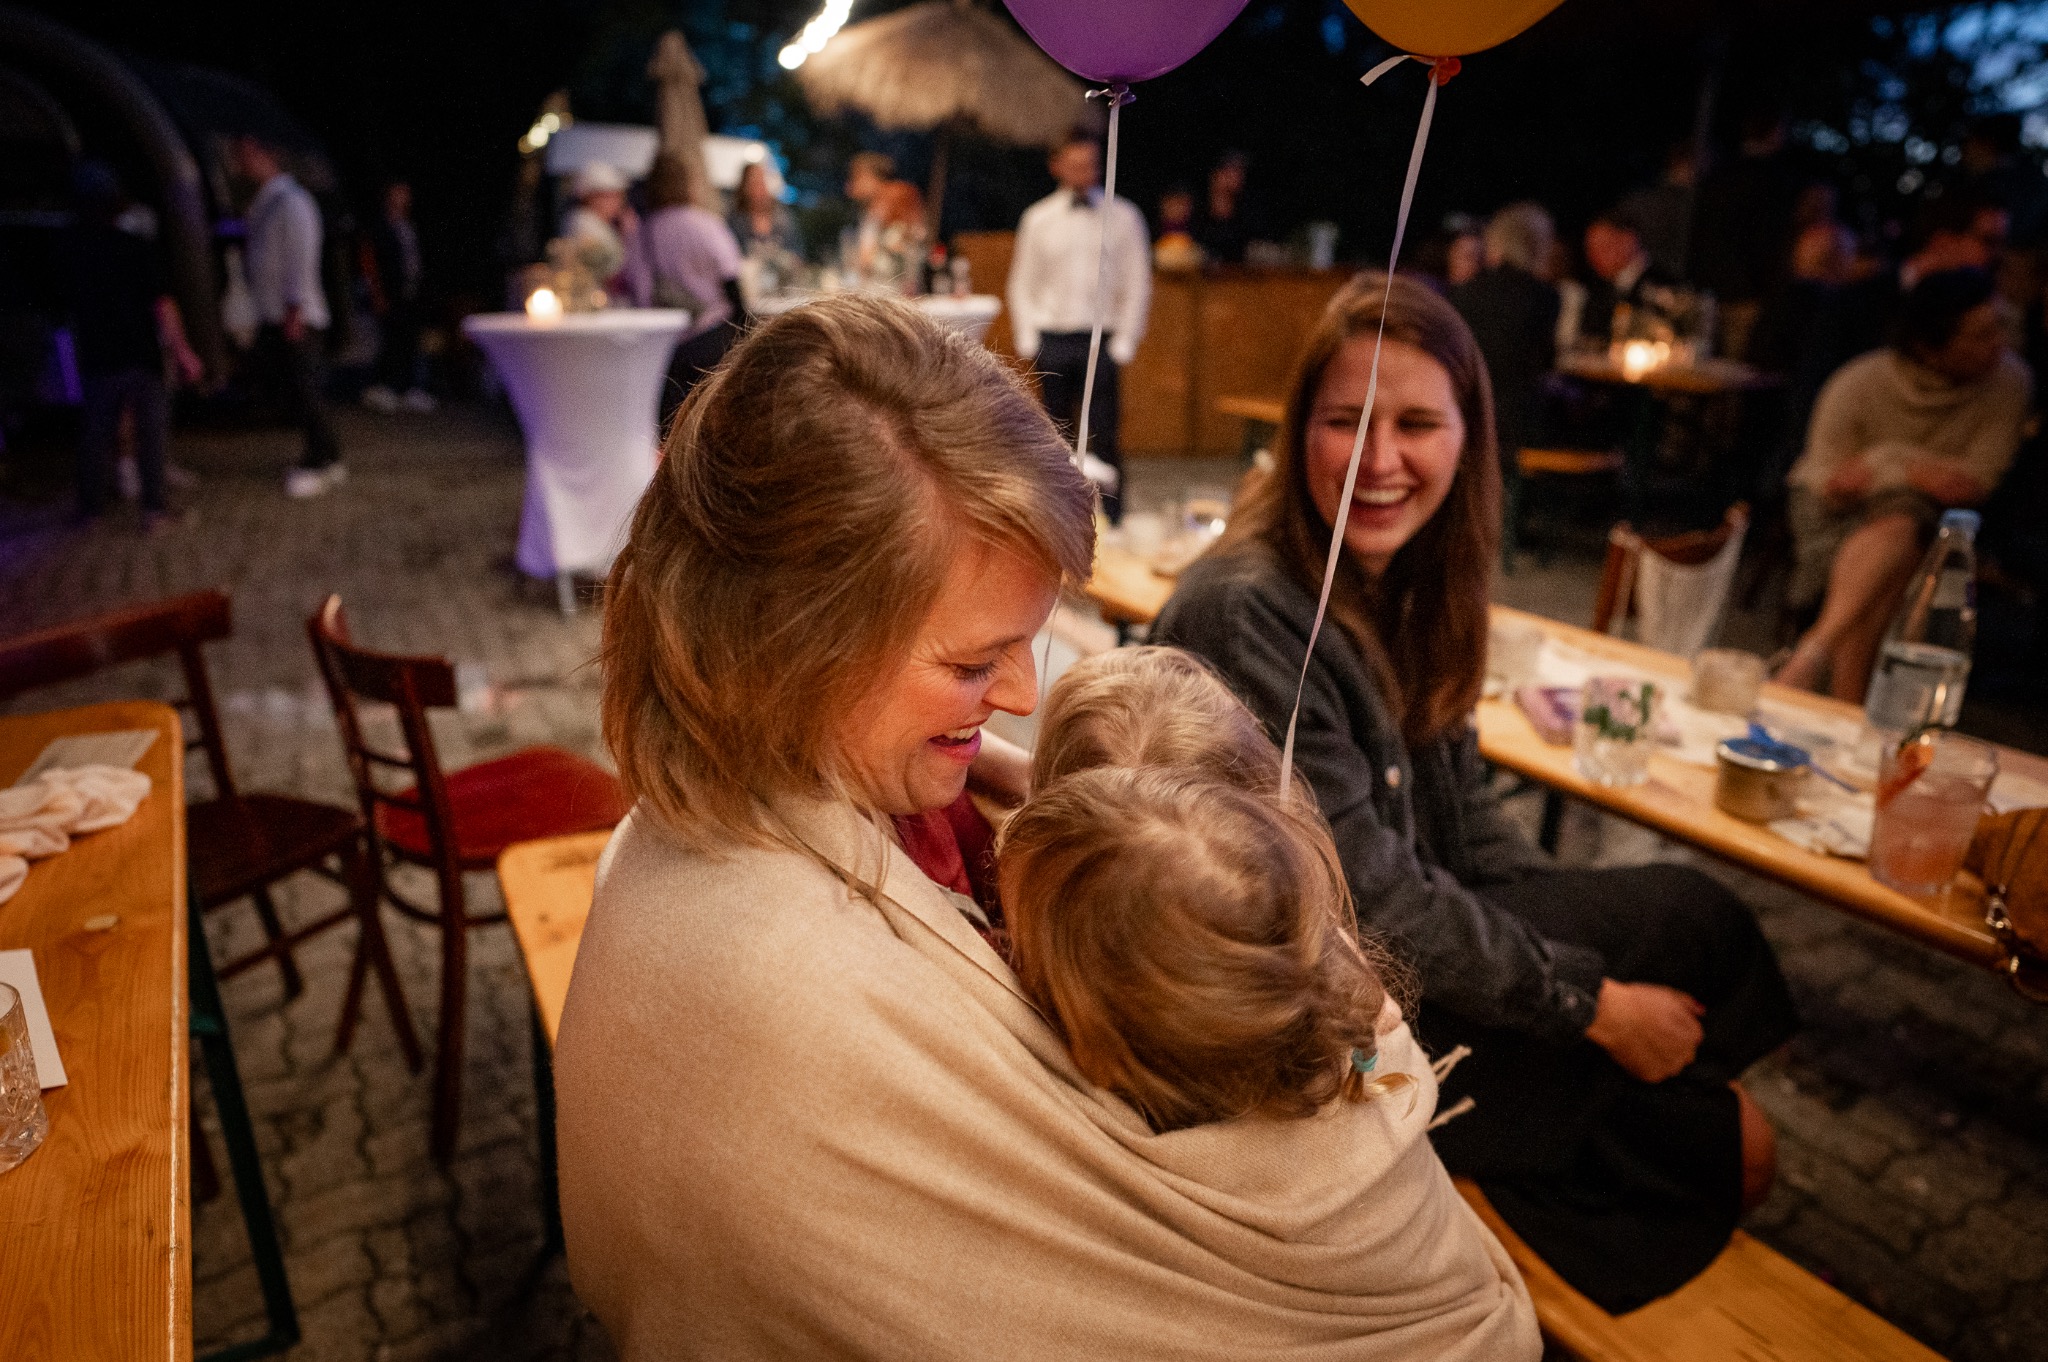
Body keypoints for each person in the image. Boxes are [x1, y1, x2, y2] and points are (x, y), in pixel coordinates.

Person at [557, 293, 1535, 1359]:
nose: (1023, 693)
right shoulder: (774, 990)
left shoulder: (806, 796)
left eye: (1027, 643)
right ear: (790, 643)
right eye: (973, 661)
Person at [1152, 274, 1799, 1315]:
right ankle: (1525, 1189)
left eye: (1416, 423)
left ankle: (1601, 1138)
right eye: (1343, 422)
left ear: (1467, 438)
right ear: (1296, 430)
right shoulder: (1249, 611)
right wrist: (1585, 1002)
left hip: (1412, 982)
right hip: (1319, 1043)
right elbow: (1368, 904)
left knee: (1690, 964)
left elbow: (1471, 837)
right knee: (1729, 1121)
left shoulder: (1411, 580)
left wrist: (1574, 966)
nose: (1379, 459)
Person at [1775, 269, 2029, 701]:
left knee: (1901, 535)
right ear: (1930, 347)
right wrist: (1904, 469)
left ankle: (1813, 655)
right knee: (1897, 543)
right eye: (1981, 335)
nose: (1998, 344)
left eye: (1999, 327)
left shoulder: (2008, 382)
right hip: (1832, 517)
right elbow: (1830, 483)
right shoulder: (1861, 382)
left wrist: (1883, 464)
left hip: (1939, 528)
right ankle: (1848, 707)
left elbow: (1971, 484)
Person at [1006, 130, 1151, 522]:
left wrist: (1123, 343)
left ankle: (1113, 522)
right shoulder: (1037, 218)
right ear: (1056, 166)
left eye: (1091, 163)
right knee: (1054, 437)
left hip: (1099, 341)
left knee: (1104, 434)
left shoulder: (1124, 216)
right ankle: (1061, 521)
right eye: (1075, 163)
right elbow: (1023, 282)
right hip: (1052, 339)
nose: (1084, 171)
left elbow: (1137, 283)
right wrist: (1029, 338)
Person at [62, 161, 204, 529]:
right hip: (140, 353)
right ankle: (153, 510)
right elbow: (163, 303)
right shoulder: (134, 247)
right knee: (150, 434)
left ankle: (90, 511)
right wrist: (182, 350)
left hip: (97, 356)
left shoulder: (69, 251)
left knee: (96, 434)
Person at [229, 132, 344, 499]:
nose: (240, 163)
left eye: (245, 154)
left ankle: (325, 460)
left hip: (296, 315)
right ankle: (322, 455)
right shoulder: (267, 203)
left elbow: (300, 257)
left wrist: (294, 310)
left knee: (306, 391)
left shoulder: (291, 202)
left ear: (266, 155)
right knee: (294, 391)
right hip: (277, 314)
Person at [626, 153, 746, 413]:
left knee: (675, 421)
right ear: (688, 184)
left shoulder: (641, 234)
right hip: (714, 337)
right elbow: (731, 277)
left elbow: (640, 292)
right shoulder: (705, 224)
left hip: (665, 348)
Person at [1450, 202, 1560, 467]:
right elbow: (1547, 362)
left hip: (1464, 413)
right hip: (1518, 425)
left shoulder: (1464, 293)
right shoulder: (1544, 296)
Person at [360, 179, 434, 414]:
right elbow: (369, 261)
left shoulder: (409, 225)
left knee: (410, 340)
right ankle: (382, 388)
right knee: (390, 340)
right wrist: (377, 293)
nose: (404, 197)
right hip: (389, 292)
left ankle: (408, 389)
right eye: (399, 192)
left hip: (410, 293)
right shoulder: (379, 226)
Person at [1576, 212, 1660, 347]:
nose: (1594, 257)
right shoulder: (1599, 290)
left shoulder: (1663, 285)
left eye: (1603, 246)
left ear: (1629, 240)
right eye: (1590, 249)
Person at [843, 150, 924, 287]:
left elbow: (865, 256)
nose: (850, 186)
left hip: (894, 285)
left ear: (872, 177)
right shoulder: (877, 204)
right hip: (894, 281)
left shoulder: (894, 195)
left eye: (856, 178)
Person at [561, 161, 637, 292]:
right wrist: (628, 236)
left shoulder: (599, 223)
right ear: (590, 197)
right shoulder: (582, 223)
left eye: (618, 195)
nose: (617, 202)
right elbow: (609, 269)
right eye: (609, 196)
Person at [1190, 150, 1265, 266]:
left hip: (1240, 279)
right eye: (1231, 170)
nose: (1238, 176)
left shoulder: (1248, 213)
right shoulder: (1196, 213)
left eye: (1240, 171)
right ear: (1215, 174)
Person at [727, 158, 802, 262]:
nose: (759, 188)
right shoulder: (735, 220)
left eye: (762, 182)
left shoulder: (783, 218)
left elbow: (797, 254)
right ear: (744, 186)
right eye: (754, 183)